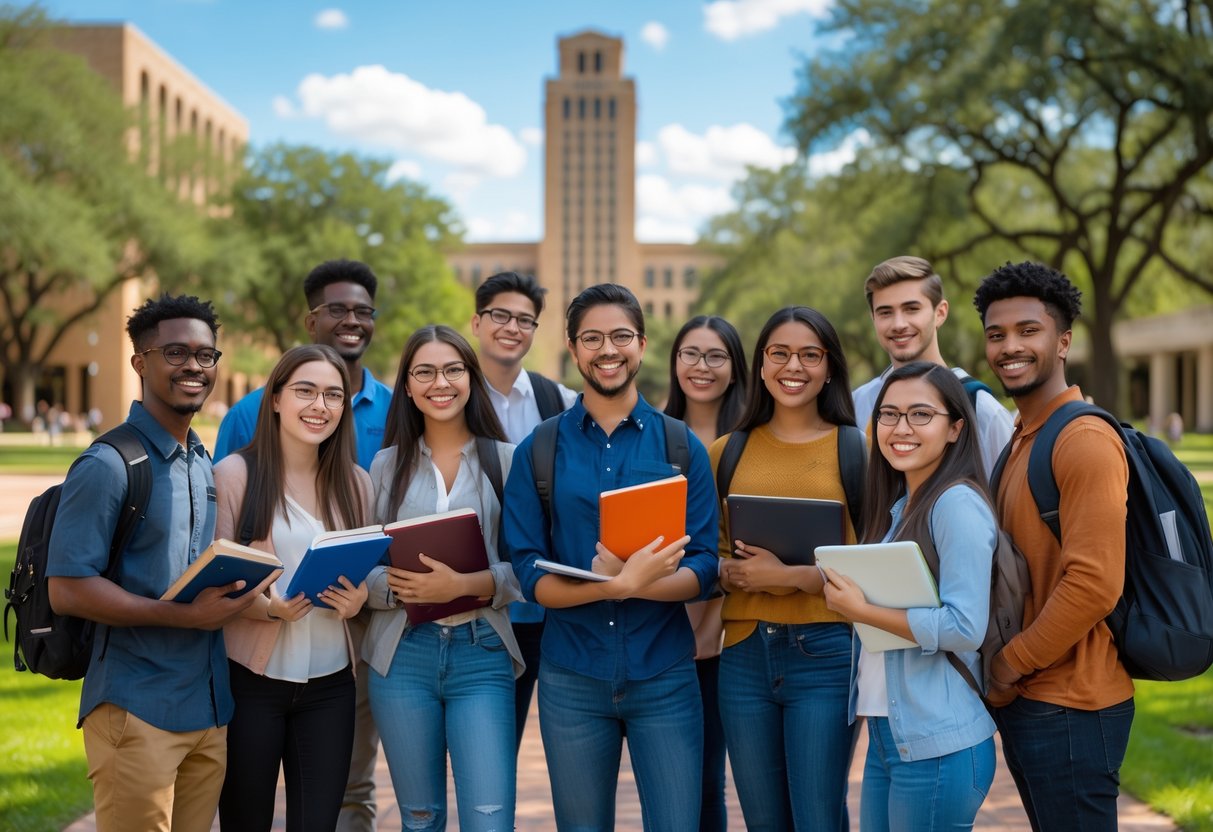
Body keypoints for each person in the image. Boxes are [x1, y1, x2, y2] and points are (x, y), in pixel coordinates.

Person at [46, 294, 278, 832]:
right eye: (175, 352)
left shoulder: (201, 459)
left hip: (209, 709)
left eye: (205, 354)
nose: (193, 366)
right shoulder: (107, 464)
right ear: (140, 363)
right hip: (136, 708)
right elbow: (69, 589)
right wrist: (182, 616)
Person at [503, 284, 720, 831]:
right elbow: (529, 571)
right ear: (573, 350)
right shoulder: (540, 449)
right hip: (571, 677)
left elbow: (705, 566)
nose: (608, 350)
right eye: (592, 338)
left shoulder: (679, 445)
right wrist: (615, 587)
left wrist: (634, 584)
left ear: (642, 345)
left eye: (621, 336)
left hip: (665, 674)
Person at [213, 258, 391, 832]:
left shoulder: (356, 484)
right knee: (247, 820)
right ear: (276, 400)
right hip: (253, 682)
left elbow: (366, 570)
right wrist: (265, 606)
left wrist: (358, 600)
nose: (320, 406)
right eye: (306, 392)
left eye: (333, 396)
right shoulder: (236, 476)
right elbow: (211, 576)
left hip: (331, 685)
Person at [973, 262, 1133, 831]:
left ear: (1063, 341)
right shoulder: (1023, 436)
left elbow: (1094, 584)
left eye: (1027, 330)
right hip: (1036, 696)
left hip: (1072, 703)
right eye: (997, 335)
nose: (1010, 346)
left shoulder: (1082, 440)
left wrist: (1009, 665)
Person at [822, 362, 997, 831]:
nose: (901, 428)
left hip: (939, 742)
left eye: (921, 415)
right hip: (890, 732)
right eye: (889, 414)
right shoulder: (899, 509)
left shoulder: (956, 505)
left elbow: (965, 627)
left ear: (955, 428)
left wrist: (863, 610)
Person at [365, 325, 523, 831]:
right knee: (420, 818)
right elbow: (361, 566)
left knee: (490, 819)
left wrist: (462, 585)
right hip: (401, 655)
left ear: (471, 379)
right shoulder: (385, 466)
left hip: (483, 654)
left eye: (454, 369)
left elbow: (527, 568)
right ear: (407, 386)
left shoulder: (506, 460)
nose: (441, 382)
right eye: (425, 371)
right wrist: (398, 587)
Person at [708, 305, 858, 831]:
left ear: (830, 367)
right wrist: (733, 572)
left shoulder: (856, 450)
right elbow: (712, 553)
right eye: (780, 353)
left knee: (818, 817)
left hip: (826, 654)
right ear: (762, 364)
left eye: (810, 355)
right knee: (763, 821)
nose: (794, 366)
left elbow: (869, 564)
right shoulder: (727, 451)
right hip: (744, 653)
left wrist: (789, 577)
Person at [470, 270, 576, 750]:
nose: (512, 327)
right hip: (472, 605)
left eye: (525, 320)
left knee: (547, 742)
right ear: (476, 323)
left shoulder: (561, 402)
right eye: (500, 316)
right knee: (483, 748)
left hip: (541, 609)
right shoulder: (449, 396)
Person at [663, 314, 749, 832]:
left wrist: (709, 629)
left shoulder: (748, 443)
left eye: (716, 356)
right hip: (662, 632)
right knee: (674, 782)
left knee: (708, 782)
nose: (701, 367)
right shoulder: (653, 437)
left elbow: (735, 550)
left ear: (736, 369)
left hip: (726, 638)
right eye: (690, 354)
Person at [853, 255, 1014, 476]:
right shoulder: (859, 403)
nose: (899, 324)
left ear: (940, 313)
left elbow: (1005, 504)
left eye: (911, 309)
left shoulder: (980, 408)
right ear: (873, 318)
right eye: (885, 312)